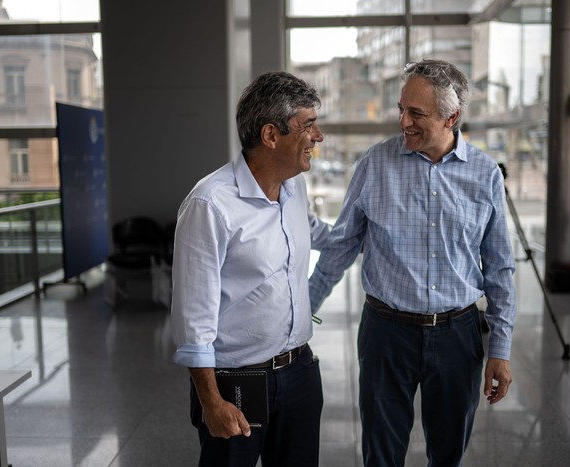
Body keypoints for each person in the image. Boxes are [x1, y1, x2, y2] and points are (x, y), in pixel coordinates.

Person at [309, 59, 516, 466]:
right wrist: (300, 316)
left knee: (448, 453)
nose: (403, 121)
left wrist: (501, 349)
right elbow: (342, 247)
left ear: (451, 117)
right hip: (386, 333)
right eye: (402, 109)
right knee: (381, 455)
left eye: (416, 113)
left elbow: (499, 267)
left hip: (459, 335)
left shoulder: (485, 174)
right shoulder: (374, 164)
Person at [170, 71, 332, 467]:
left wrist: (373, 229)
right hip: (236, 382)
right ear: (270, 136)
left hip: (299, 372)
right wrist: (212, 402)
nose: (318, 136)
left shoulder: (294, 188)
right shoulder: (210, 205)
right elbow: (193, 318)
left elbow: (315, 234)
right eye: (307, 125)